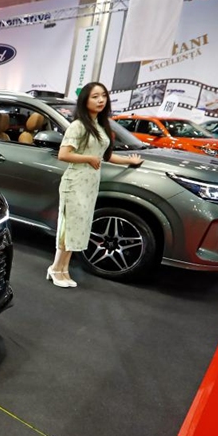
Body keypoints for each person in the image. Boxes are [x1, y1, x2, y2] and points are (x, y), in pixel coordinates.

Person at [47, 82, 143, 288]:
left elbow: (105, 156)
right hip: (75, 182)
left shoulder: (100, 125)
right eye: (95, 96)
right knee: (69, 227)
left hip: (90, 184)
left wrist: (130, 161)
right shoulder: (79, 125)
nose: (100, 100)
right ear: (85, 100)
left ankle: (63, 268)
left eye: (103, 96)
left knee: (78, 228)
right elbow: (64, 154)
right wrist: (88, 158)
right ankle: (56, 268)